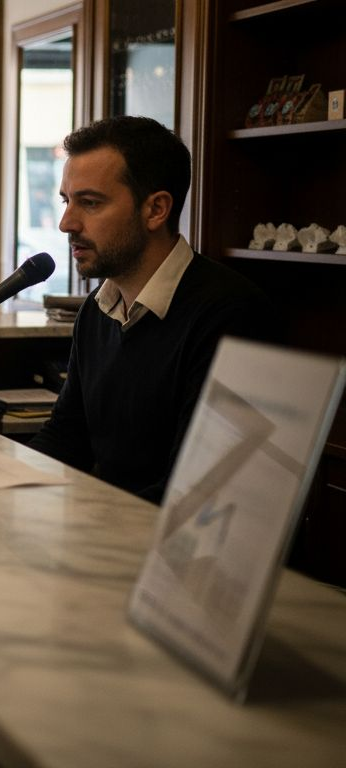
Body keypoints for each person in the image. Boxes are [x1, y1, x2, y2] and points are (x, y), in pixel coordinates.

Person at [29, 115, 268, 503]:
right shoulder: (97, 310)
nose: (66, 223)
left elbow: (193, 491)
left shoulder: (231, 315)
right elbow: (67, 437)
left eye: (90, 203)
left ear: (156, 209)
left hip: (172, 552)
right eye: (66, 201)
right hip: (110, 534)